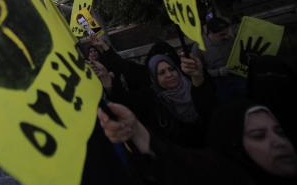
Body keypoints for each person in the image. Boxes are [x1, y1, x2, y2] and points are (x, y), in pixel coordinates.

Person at [98, 99, 297, 185]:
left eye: (279, 132)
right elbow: (182, 165)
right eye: (258, 135)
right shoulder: (222, 174)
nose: (278, 142)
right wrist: (135, 131)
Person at [192, 16, 247, 102]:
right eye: (222, 35)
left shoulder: (230, 39)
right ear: (210, 33)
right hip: (217, 84)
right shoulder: (198, 47)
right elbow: (199, 72)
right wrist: (218, 72)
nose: (226, 37)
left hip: (237, 77)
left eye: (227, 33)